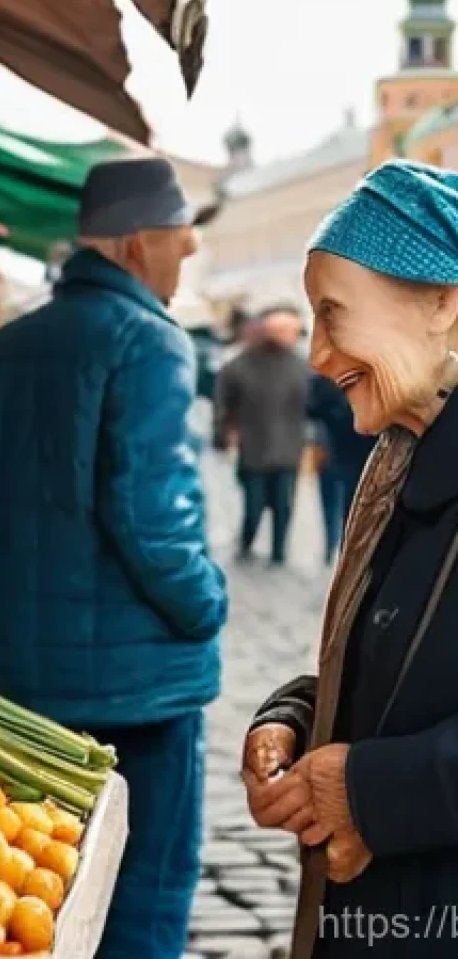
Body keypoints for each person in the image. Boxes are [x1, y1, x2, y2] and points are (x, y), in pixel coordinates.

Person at [0, 156, 228, 958]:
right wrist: (208, 604)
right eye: (177, 240)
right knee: (144, 897)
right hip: (139, 696)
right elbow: (156, 521)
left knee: (33, 892)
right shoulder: (153, 344)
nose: (187, 255)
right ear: (135, 246)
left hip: (16, 687)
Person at [242, 160, 458, 958]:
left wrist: (369, 792)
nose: (317, 354)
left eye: (333, 314)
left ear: (443, 302)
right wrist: (296, 719)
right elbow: (395, 670)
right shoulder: (399, 457)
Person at [215, 306, 310, 565]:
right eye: (281, 330)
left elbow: (315, 406)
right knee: (253, 507)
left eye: (291, 330)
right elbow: (223, 402)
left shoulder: (302, 367)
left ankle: (279, 554)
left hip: (289, 450)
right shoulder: (239, 364)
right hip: (253, 449)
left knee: (283, 507)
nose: (287, 335)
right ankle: (246, 545)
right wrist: (222, 435)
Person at [308, 374, 376, 564]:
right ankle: (334, 547)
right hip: (335, 453)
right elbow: (313, 408)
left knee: (348, 507)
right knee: (339, 505)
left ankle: (339, 549)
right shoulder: (328, 379)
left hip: (354, 456)